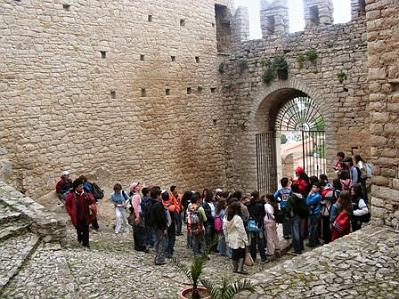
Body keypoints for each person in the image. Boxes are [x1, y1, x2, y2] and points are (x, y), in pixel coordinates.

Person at [65, 178, 96, 248]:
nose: (81, 187)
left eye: (82, 186)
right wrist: (70, 212)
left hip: (85, 215)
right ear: (76, 187)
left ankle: (86, 243)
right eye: (80, 186)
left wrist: (89, 199)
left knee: (86, 229)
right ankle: (79, 236)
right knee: (79, 229)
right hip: (77, 216)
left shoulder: (86, 194)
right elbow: (67, 204)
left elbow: (92, 201)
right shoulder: (71, 195)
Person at [223, 201, 248, 274]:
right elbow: (242, 230)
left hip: (231, 238)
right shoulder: (237, 218)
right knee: (241, 253)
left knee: (234, 253)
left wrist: (226, 239)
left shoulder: (225, 218)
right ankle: (240, 268)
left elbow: (224, 229)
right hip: (238, 238)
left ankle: (235, 268)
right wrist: (246, 240)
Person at [148, 187, 169, 265]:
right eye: (160, 195)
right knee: (161, 242)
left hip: (155, 226)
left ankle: (158, 257)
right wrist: (164, 227)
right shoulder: (157, 205)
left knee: (158, 241)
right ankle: (160, 259)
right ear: (157, 196)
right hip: (159, 227)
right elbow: (160, 218)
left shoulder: (152, 203)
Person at [287, 184, 308, 255]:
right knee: (300, 232)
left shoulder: (291, 197)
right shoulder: (302, 196)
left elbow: (289, 209)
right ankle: (301, 246)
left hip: (295, 216)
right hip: (302, 216)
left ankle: (297, 250)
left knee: (295, 233)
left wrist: (287, 216)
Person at [247, 191, 267, 262]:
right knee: (260, 241)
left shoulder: (249, 205)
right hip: (259, 224)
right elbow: (263, 215)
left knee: (252, 241)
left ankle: (253, 256)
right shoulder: (260, 205)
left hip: (251, 224)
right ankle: (263, 257)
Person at [187, 192, 207, 257]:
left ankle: (196, 254)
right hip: (199, 227)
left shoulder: (189, 207)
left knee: (195, 240)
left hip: (192, 227)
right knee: (202, 241)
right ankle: (203, 254)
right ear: (198, 200)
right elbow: (205, 219)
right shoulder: (200, 208)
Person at [130, 182, 147, 252]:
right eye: (137, 186)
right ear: (134, 188)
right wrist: (137, 216)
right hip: (138, 214)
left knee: (137, 230)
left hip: (137, 214)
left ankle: (137, 246)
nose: (138, 186)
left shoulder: (136, 196)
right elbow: (135, 207)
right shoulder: (136, 196)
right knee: (141, 230)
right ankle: (141, 246)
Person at [162, 191, 179, 258]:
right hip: (171, 224)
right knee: (171, 237)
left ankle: (165, 250)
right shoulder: (172, 207)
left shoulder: (161, 205)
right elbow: (177, 212)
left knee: (166, 237)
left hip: (164, 224)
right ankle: (169, 251)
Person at [305, 183, 322, 247]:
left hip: (314, 213)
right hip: (312, 212)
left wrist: (308, 196)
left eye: (315, 187)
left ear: (318, 189)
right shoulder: (313, 194)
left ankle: (311, 242)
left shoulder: (317, 196)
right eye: (312, 187)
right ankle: (316, 240)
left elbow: (308, 202)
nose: (313, 188)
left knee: (312, 228)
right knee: (314, 227)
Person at [320, 180, 334, 244]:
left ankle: (326, 240)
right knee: (328, 226)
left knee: (326, 226)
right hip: (330, 210)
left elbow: (323, 201)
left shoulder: (325, 192)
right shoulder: (333, 191)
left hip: (326, 211)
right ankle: (329, 238)